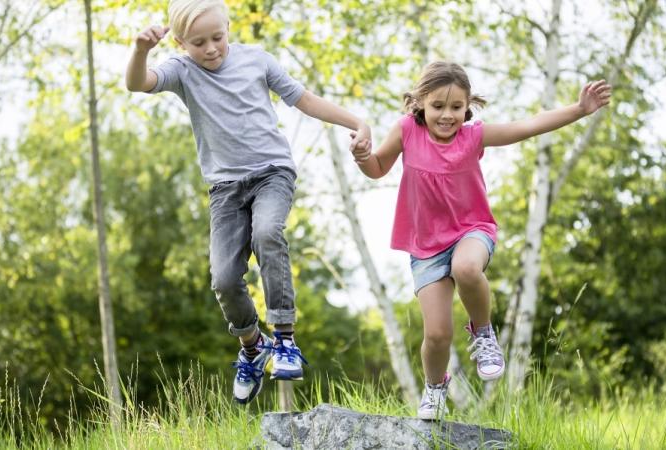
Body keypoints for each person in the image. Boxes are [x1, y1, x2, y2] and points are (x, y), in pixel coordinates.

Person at [125, 0, 372, 405]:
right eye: (198, 43)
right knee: (223, 278)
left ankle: (285, 339)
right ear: (182, 42)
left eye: (217, 38)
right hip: (225, 189)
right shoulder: (181, 71)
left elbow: (304, 99)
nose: (210, 49)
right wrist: (140, 50)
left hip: (272, 172)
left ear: (228, 27)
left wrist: (357, 122)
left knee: (268, 234)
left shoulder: (257, 60)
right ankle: (253, 347)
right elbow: (138, 83)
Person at [350, 61, 611, 419]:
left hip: (471, 230)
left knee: (467, 268)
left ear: (467, 104)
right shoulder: (407, 130)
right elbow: (377, 168)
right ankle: (434, 387)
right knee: (438, 335)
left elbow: (528, 126)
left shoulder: (473, 135)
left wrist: (580, 109)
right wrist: (364, 156)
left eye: (456, 107)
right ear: (421, 102)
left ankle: (484, 334)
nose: (447, 115)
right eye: (438, 106)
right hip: (425, 245)